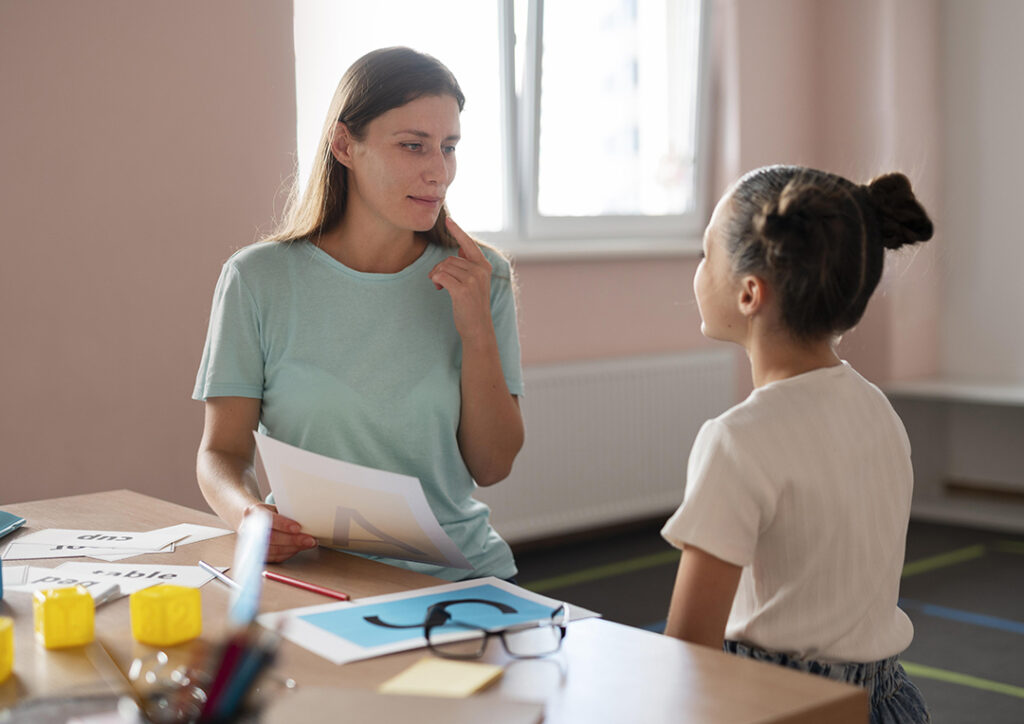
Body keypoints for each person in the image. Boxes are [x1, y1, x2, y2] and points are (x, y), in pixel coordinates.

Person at [192, 47, 524, 582]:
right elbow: (221, 452)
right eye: (413, 146)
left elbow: (493, 466)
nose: (439, 171)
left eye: (449, 147)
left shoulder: (484, 278)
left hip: (459, 576)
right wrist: (248, 516)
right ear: (345, 145)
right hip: (316, 573)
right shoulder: (255, 279)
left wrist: (476, 329)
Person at [661, 165, 933, 723]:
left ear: (749, 293)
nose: (698, 269)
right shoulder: (878, 410)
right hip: (886, 701)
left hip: (776, 703)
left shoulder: (736, 441)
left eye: (705, 253)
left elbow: (689, 649)